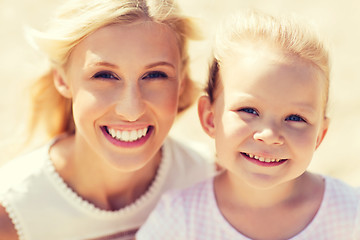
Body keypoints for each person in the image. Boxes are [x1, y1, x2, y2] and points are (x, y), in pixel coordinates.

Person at [0, 0, 215, 239]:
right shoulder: (11, 213)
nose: (131, 110)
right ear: (62, 80)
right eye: (104, 75)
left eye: (155, 75)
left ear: (182, 82)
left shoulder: (209, 179)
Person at [136, 10, 360, 239]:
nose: (270, 134)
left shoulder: (350, 215)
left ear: (319, 136)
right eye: (249, 110)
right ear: (210, 118)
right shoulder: (179, 219)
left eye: (296, 118)